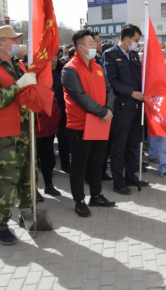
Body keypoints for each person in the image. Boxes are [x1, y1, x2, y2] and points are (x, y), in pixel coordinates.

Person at [0, 25, 38, 245]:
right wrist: (19, 84)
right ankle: (0, 225)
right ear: (0, 43)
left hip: (24, 131)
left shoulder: (18, 64)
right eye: (13, 40)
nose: (17, 44)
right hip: (3, 136)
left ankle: (26, 214)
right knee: (6, 180)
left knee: (28, 176)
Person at [62, 30, 116, 216]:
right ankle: (79, 201)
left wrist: (108, 109)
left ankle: (96, 195)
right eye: (91, 43)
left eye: (95, 43)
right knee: (79, 165)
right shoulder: (70, 69)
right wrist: (103, 111)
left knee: (97, 163)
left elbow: (108, 89)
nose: (95, 46)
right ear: (80, 47)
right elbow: (79, 96)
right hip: (80, 126)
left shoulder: (98, 67)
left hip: (100, 122)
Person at [103, 24, 149, 195]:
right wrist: (132, 93)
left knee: (133, 144)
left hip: (137, 107)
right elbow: (112, 81)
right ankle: (118, 181)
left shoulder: (134, 55)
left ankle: (131, 176)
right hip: (122, 107)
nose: (137, 43)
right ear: (126, 39)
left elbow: (139, 78)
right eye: (136, 40)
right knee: (119, 146)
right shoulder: (110, 55)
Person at [35, 90, 62, 197]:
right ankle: (33, 189)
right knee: (33, 162)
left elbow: (53, 99)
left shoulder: (46, 84)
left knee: (48, 159)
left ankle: (49, 185)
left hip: (50, 128)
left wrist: (57, 115)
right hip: (37, 130)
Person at [51, 50, 71, 173]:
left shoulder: (63, 70)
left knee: (64, 140)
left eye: (54, 56)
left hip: (63, 111)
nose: (52, 59)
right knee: (48, 142)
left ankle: (65, 164)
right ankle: (49, 166)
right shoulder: (42, 72)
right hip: (48, 112)